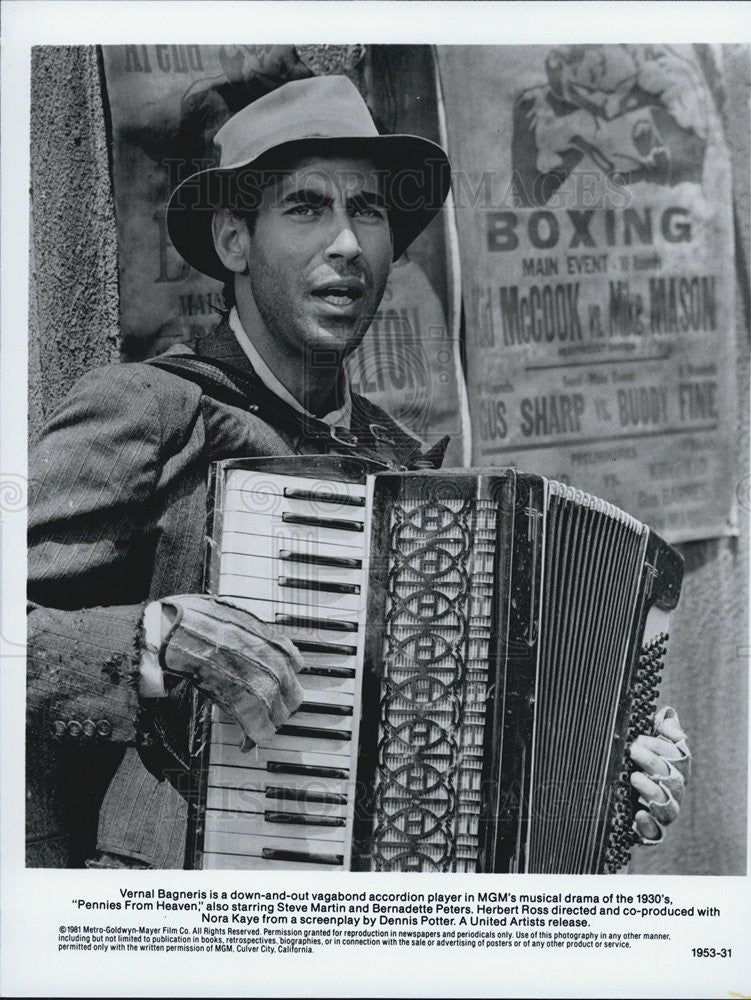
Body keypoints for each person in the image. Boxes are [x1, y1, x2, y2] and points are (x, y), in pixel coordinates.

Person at [27, 75, 690, 870]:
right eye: (306, 207)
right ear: (235, 241)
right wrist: (154, 644)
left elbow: (469, 749)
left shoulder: (405, 468)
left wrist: (602, 778)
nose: (346, 243)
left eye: (366, 211)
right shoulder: (150, 410)